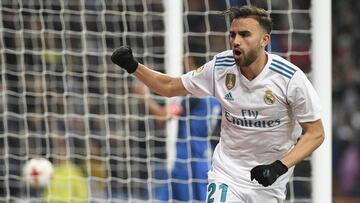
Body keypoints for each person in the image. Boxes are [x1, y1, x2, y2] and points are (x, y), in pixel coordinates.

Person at [110, 5, 325, 203]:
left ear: (264, 40)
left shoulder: (289, 79)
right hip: (227, 174)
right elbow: (169, 86)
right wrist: (133, 66)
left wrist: (280, 166)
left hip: (269, 183)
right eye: (233, 35)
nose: (236, 41)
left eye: (245, 34)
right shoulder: (220, 68)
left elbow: (315, 133)